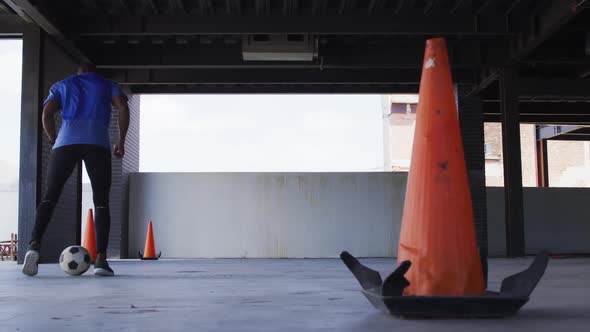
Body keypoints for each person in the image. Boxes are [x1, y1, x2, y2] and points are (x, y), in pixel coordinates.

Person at [22, 63, 129, 277]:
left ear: (78, 71)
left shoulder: (63, 85)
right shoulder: (108, 84)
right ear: (95, 70)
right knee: (101, 202)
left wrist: (53, 138)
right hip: (97, 143)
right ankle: (100, 259)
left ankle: (34, 245)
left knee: (50, 197)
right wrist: (121, 141)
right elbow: (123, 108)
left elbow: (47, 113)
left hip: (65, 142)